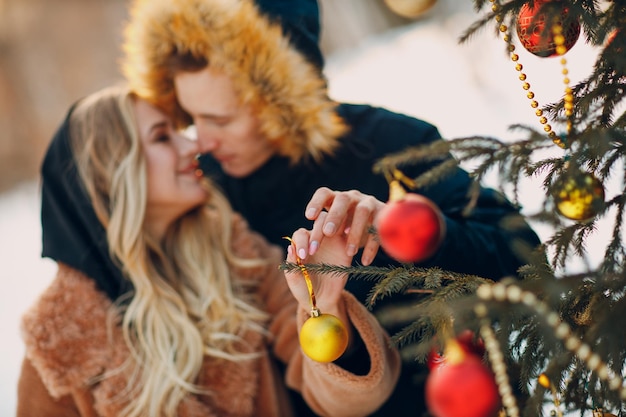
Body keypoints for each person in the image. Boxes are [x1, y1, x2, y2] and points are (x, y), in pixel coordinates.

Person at [119, 0, 542, 415]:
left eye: (222, 120)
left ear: (282, 98)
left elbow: (527, 262)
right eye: (192, 118)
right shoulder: (204, 192)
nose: (203, 141)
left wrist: (413, 229)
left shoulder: (390, 144)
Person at [16, 85, 401, 417]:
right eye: (162, 137)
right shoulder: (59, 347)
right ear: (113, 177)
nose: (194, 143)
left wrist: (325, 303)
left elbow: (348, 401)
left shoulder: (240, 256)